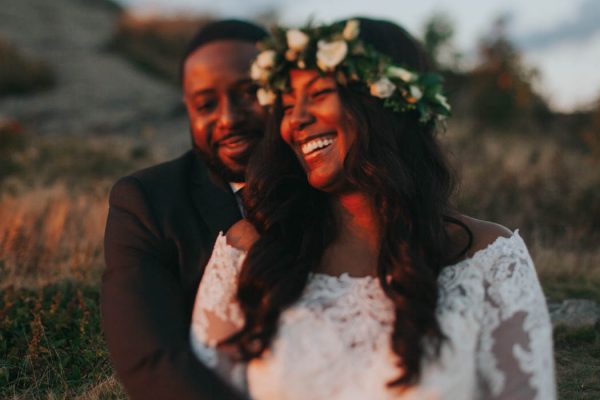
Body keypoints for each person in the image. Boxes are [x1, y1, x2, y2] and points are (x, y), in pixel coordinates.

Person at [189, 17, 556, 399]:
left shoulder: (490, 258)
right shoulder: (249, 254)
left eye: (317, 95)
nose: (294, 120)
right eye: (285, 105)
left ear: (386, 102)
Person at [101, 20, 267, 399]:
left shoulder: (329, 181)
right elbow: (151, 358)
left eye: (249, 93)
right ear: (188, 110)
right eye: (207, 104)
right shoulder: (145, 201)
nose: (229, 118)